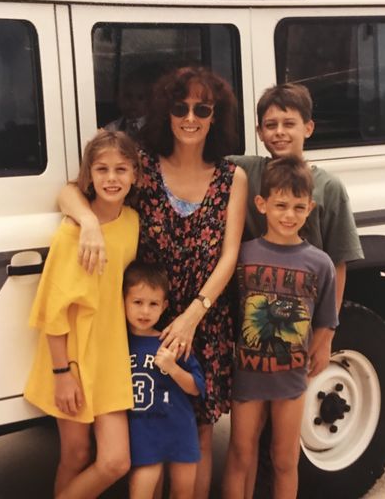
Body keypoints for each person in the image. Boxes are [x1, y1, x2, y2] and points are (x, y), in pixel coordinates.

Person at [58, 65, 248, 499]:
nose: (191, 117)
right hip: (143, 319)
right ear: (166, 111)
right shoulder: (141, 164)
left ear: (215, 115)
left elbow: (230, 254)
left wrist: (191, 318)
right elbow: (70, 190)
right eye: (181, 106)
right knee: (146, 432)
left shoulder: (231, 177)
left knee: (196, 433)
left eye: (203, 108)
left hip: (203, 320)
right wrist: (87, 220)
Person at [228, 82, 364, 498]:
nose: (280, 132)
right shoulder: (245, 172)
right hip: (252, 353)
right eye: (271, 124)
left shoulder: (329, 187)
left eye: (290, 123)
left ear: (309, 127)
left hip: (296, 339)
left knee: (284, 454)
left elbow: (336, 264)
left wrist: (326, 337)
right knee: (244, 450)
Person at [25, 130, 141, 499]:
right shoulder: (71, 234)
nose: (111, 178)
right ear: (88, 175)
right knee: (75, 455)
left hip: (110, 358)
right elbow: (51, 312)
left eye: (121, 169)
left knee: (115, 461)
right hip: (71, 358)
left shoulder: (133, 222)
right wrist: (62, 375)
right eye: (102, 169)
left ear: (135, 175)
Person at [222, 155, 339, 499]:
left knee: (285, 459)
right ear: (261, 204)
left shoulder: (320, 263)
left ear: (310, 208)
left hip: (291, 380)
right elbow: (229, 312)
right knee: (241, 453)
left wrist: (312, 354)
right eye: (281, 205)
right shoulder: (242, 255)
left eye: (298, 207)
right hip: (247, 375)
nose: (289, 215)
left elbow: (325, 320)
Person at [124, 260, 205, 499]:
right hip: (141, 433)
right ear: (124, 301)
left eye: (153, 304)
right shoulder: (118, 343)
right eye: (137, 302)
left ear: (164, 306)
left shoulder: (172, 340)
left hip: (179, 430)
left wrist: (172, 368)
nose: (145, 311)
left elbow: (196, 388)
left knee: (183, 493)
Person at [104, 66, 154, 140]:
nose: (133, 102)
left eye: (140, 98)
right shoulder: (112, 129)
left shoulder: (154, 128)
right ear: (119, 99)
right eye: (128, 96)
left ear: (149, 100)